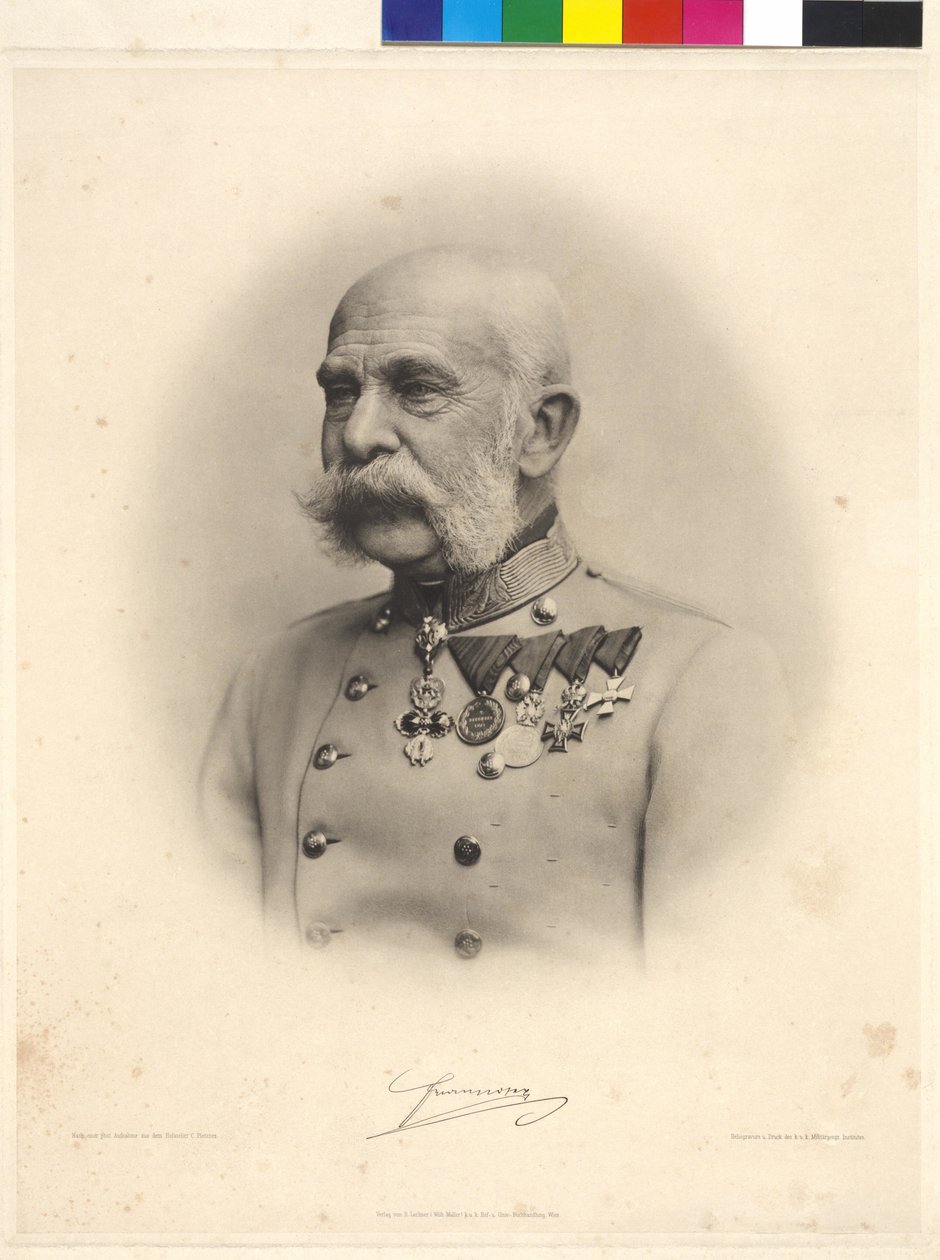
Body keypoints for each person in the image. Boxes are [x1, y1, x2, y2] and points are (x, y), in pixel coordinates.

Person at [199, 247, 787, 964]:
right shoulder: (273, 679)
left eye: (417, 389)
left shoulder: (699, 680)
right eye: (342, 392)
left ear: (541, 431)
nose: (357, 435)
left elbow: (709, 1007)